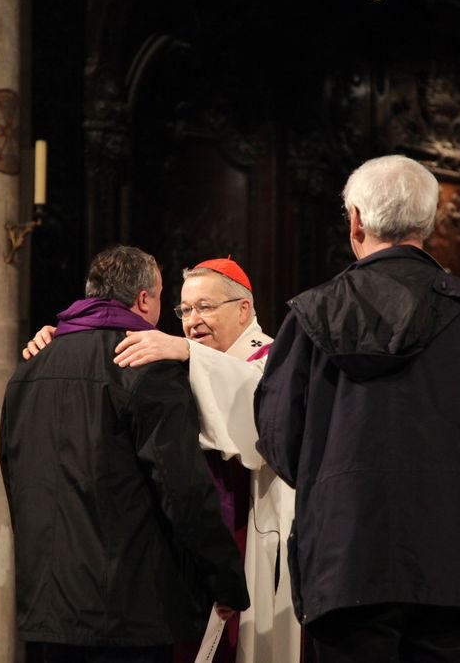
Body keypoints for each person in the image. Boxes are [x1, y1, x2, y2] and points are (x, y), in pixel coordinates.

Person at [254, 155, 460, 663]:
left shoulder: (310, 314)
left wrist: (335, 481)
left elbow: (279, 437)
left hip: (345, 561)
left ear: (356, 220)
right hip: (458, 559)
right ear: (426, 224)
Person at [2, 245, 249, 662]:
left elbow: (15, 473)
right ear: (144, 299)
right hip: (127, 609)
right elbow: (182, 487)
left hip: (47, 605)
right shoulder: (143, 360)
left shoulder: (30, 365)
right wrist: (223, 580)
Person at [112, 258, 299, 663]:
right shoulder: (188, 359)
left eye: (206, 307)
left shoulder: (274, 357)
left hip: (253, 533)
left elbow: (255, 406)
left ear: (243, 310)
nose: (192, 320)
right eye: (185, 310)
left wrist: (186, 351)